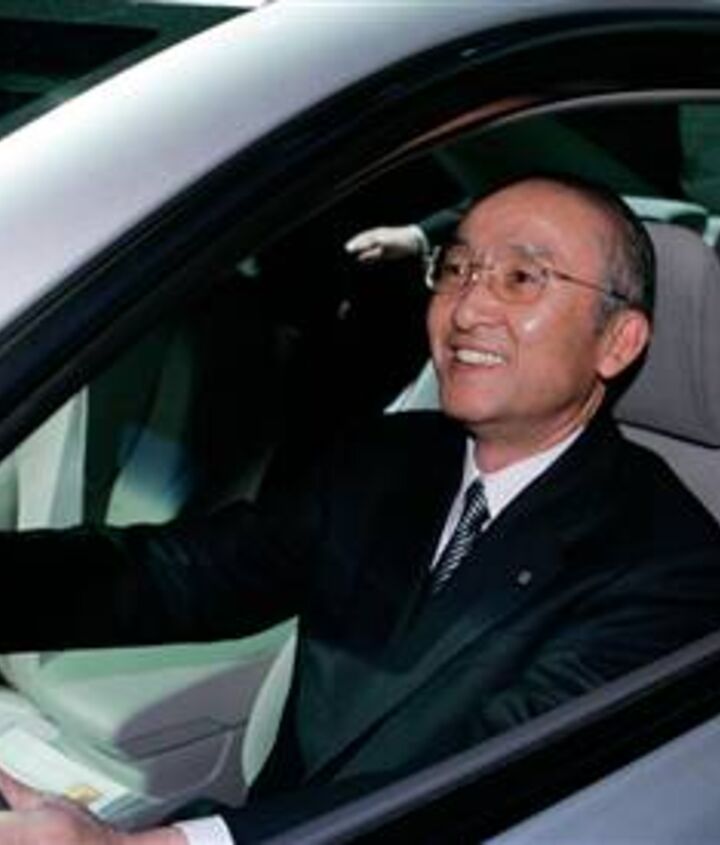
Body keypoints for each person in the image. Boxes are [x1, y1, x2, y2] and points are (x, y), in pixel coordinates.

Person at [2, 174, 720, 844]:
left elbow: (474, 782)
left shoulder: (673, 563)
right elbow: (182, 574)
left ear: (618, 341)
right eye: (457, 268)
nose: (467, 309)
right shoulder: (389, 456)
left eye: (521, 278)